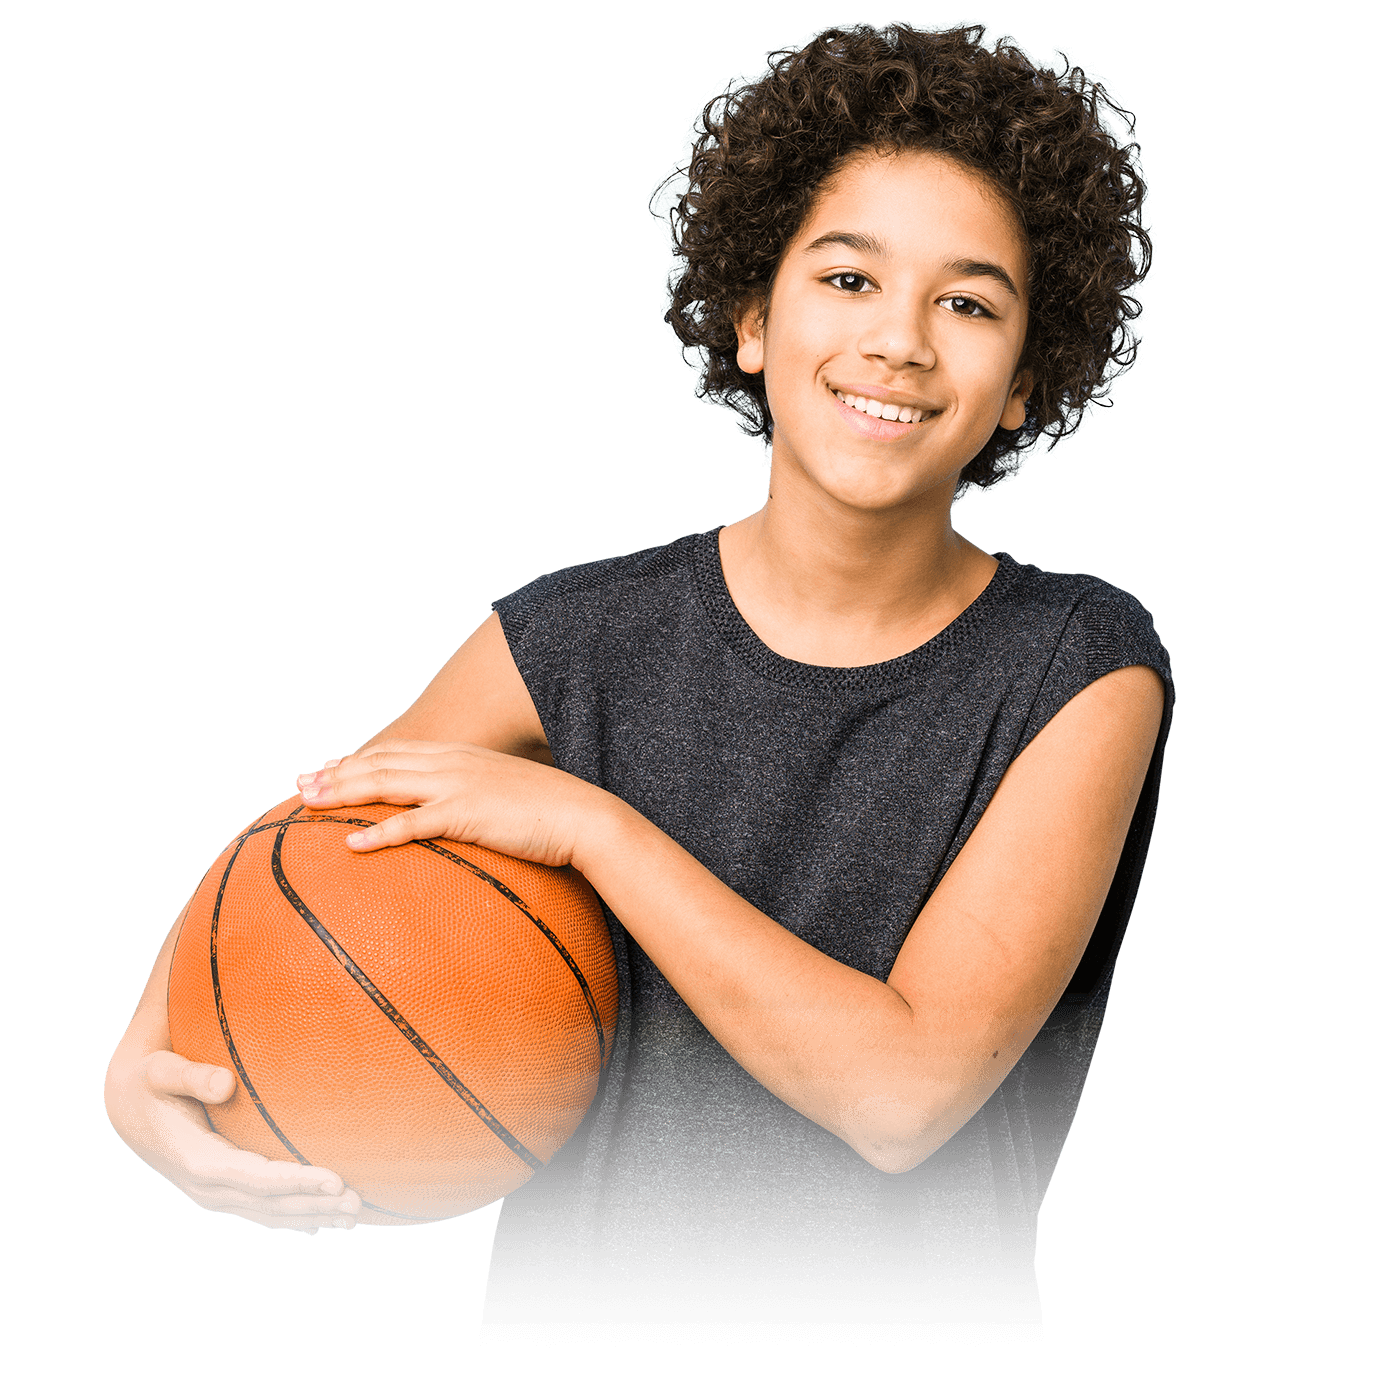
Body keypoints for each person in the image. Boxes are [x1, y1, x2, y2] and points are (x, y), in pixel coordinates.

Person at [104, 21, 1172, 1344]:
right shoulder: (575, 635)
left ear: (1024, 379)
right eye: (847, 279)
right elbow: (306, 835)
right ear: (749, 317)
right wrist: (134, 1072)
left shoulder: (1079, 663)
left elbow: (904, 1098)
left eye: (968, 302)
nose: (898, 341)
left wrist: (592, 827)